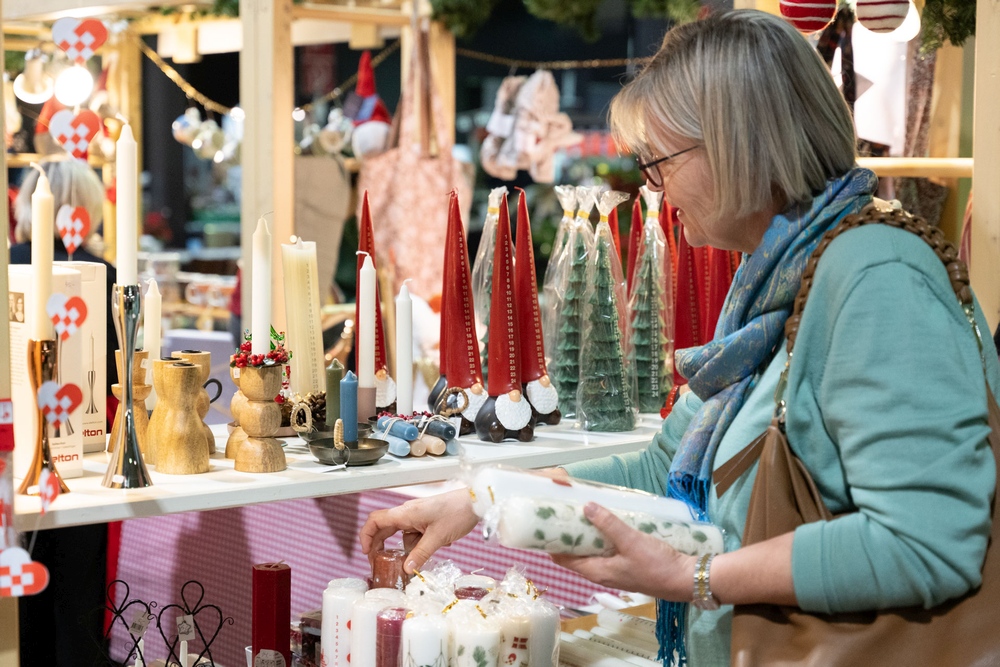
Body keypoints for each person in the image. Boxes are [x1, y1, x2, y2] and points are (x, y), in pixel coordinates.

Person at [360, 10, 999, 666]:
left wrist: (695, 577)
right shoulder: (772, 284)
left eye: (659, 163)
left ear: (738, 144)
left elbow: (925, 541)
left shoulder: (875, 275)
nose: (653, 189)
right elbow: (661, 467)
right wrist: (483, 498)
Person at [9, 156, 115, 667]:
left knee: (20, 602)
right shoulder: (101, 273)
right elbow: (114, 372)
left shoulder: (8, 264)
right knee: (79, 601)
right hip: (84, 457)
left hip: (13, 452)